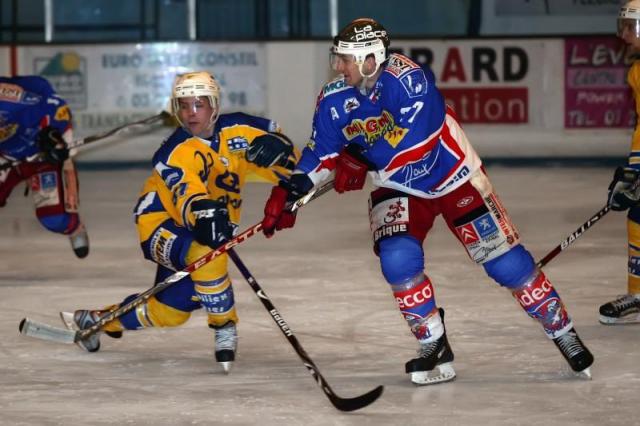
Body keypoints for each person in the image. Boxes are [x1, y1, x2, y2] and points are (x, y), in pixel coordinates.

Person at [261, 18, 594, 385]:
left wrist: (362, 157)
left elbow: (419, 139)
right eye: (335, 58)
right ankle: (433, 342)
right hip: (398, 185)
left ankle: (563, 331)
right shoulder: (333, 98)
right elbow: (321, 151)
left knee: (507, 265)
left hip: (452, 174)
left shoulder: (408, 78)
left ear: (371, 59)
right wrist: (291, 189)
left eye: (345, 59)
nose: (337, 66)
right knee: (397, 257)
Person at [64, 71, 297, 372]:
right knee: (208, 255)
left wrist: (286, 157)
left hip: (209, 225)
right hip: (160, 223)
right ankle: (224, 326)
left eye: (198, 104)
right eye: (184, 106)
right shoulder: (174, 150)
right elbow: (187, 192)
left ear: (214, 106)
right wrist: (201, 211)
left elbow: (291, 161)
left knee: (171, 312)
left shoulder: (242, 128)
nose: (191, 113)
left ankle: (97, 320)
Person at [0, 75, 89, 258]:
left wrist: (53, 135)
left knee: (54, 219)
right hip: (5, 157)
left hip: (39, 154)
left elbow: (54, 105)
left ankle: (73, 226)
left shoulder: (7, 96)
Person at [600, 1, 640, 325]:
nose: (625, 35)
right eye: (624, 27)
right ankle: (639, 294)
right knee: (638, 216)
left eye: (632, 28)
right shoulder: (637, 72)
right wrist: (634, 170)